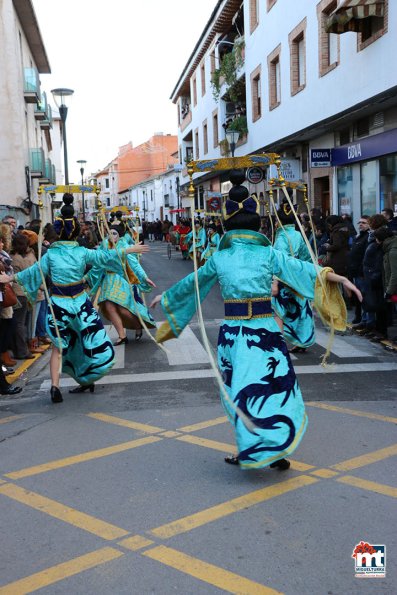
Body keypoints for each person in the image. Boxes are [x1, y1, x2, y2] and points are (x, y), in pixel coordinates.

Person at [150, 170, 361, 471]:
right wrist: (337, 278)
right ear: (255, 222)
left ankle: (262, 448)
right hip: (262, 333)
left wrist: (166, 298)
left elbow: (191, 283)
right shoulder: (266, 254)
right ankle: (268, 447)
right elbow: (306, 269)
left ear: (227, 223)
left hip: (237, 337)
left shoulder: (226, 258)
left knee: (239, 394)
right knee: (273, 388)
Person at [0, 194, 149, 403]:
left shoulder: (51, 254)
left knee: (57, 348)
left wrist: (10, 277)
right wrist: (129, 249)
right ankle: (87, 379)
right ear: (75, 232)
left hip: (59, 305)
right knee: (88, 343)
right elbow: (104, 257)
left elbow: (32, 272)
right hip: (80, 304)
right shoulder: (82, 252)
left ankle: (55, 387)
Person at [85, 224, 156, 345]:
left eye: (114, 233)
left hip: (121, 280)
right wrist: (86, 278)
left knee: (124, 310)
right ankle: (122, 336)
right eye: (110, 233)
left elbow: (134, 264)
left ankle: (138, 325)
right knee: (108, 306)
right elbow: (97, 264)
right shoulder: (104, 246)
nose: (111, 236)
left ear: (119, 235)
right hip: (108, 280)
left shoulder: (125, 246)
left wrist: (145, 277)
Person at [272, 198, 314, 354]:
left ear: (278, 220)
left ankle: (278, 342)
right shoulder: (297, 234)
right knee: (302, 308)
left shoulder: (281, 237)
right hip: (298, 277)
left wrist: (275, 282)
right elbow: (306, 256)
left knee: (277, 310)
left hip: (284, 279)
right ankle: (302, 340)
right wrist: (310, 273)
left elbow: (279, 261)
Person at [348, 216, 370, 326]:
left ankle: (365, 320)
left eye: (364, 223)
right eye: (360, 223)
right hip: (355, 272)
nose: (361, 224)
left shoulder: (368, 237)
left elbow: (365, 256)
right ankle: (359, 317)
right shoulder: (359, 236)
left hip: (362, 273)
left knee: (364, 297)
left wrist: (362, 271)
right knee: (358, 297)